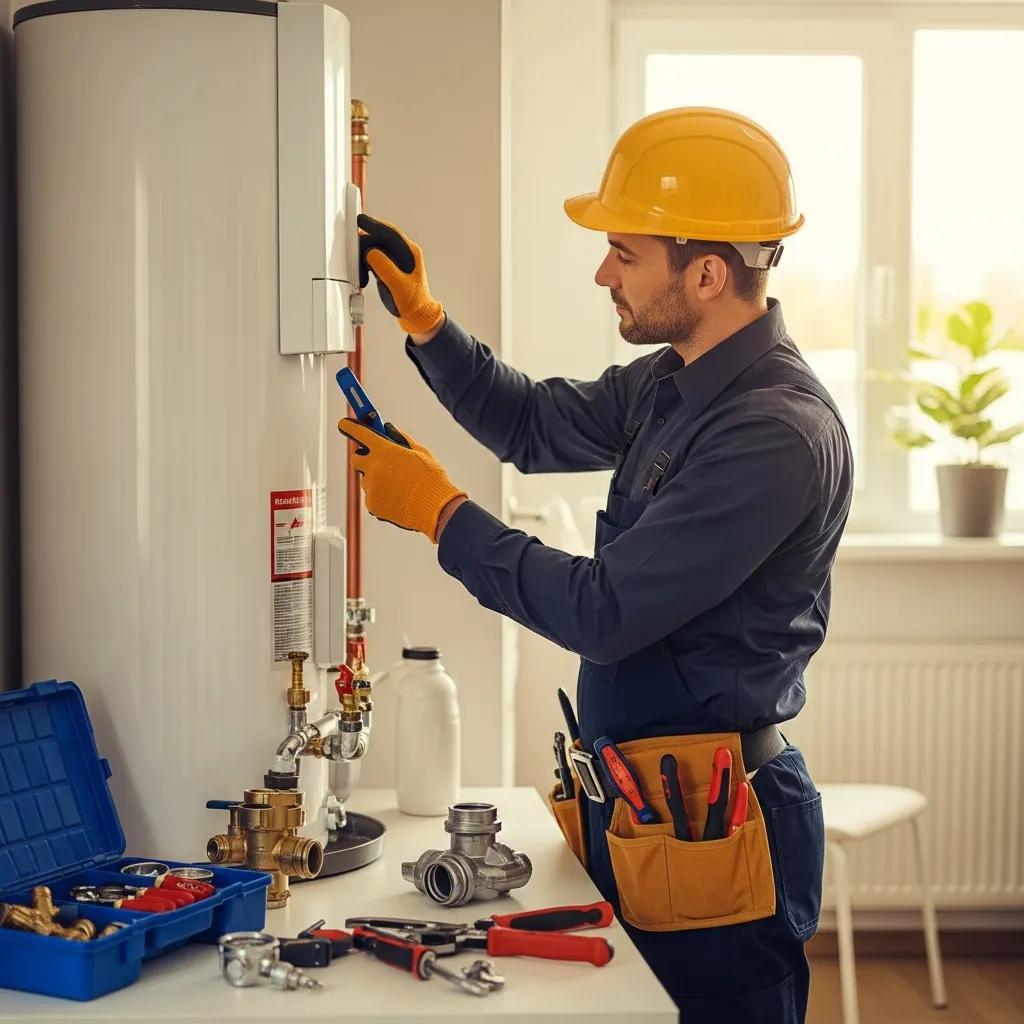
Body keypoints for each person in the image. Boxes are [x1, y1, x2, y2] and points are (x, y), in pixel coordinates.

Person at [339, 107, 853, 1023]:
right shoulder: (677, 379)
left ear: (705, 271)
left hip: (717, 825)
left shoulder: (772, 433)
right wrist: (426, 321)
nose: (602, 271)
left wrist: (440, 514)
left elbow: (603, 612)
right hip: (644, 808)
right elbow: (534, 424)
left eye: (624, 252)